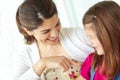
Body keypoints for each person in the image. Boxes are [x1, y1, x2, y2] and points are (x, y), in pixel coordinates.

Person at [12, 0, 94, 80]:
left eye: (57, 24)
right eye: (46, 31)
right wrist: (42, 64)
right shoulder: (25, 57)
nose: (55, 34)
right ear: (28, 31)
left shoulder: (78, 36)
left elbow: (106, 52)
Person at [76, 1, 120, 80]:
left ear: (109, 34)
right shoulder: (92, 60)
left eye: (91, 37)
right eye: (88, 37)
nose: (89, 42)